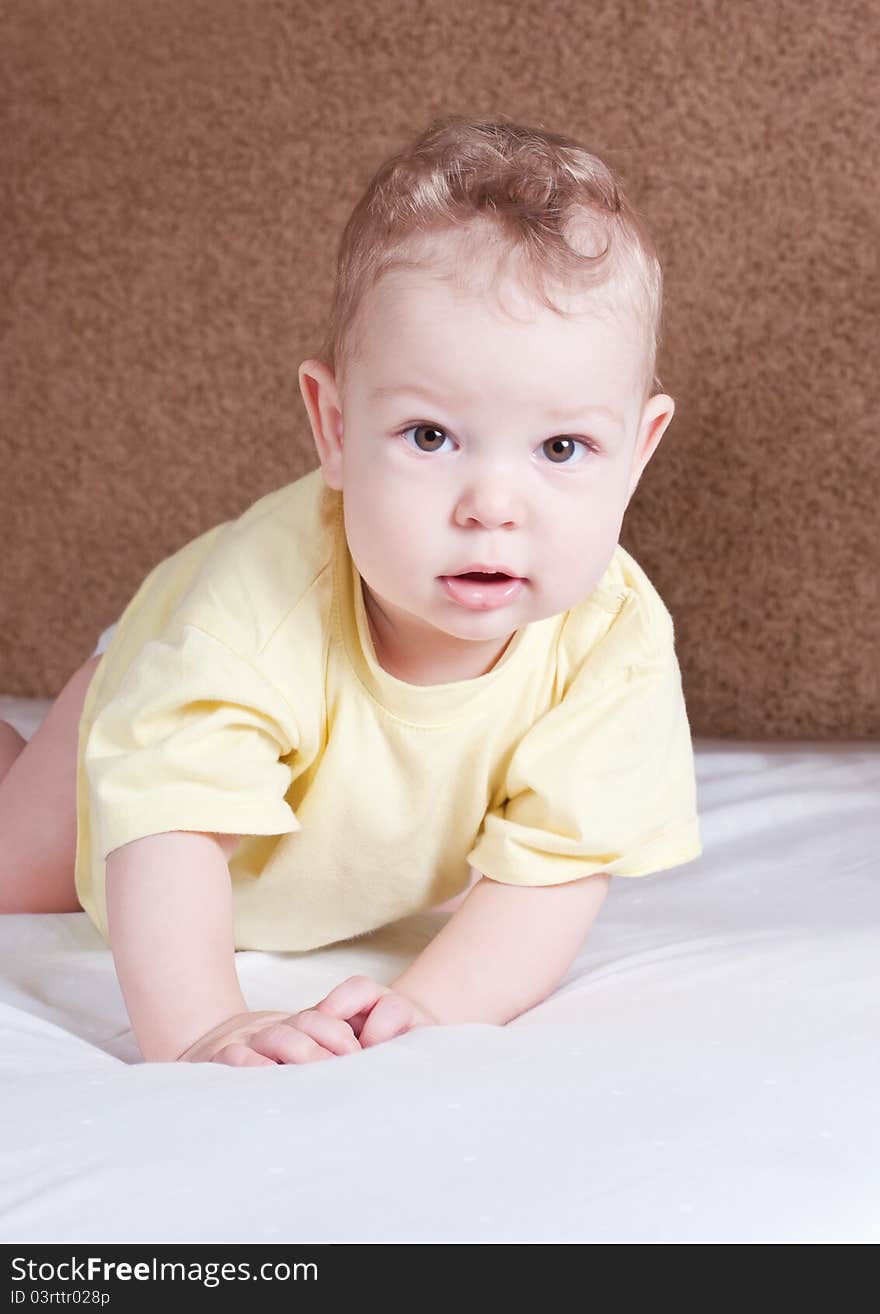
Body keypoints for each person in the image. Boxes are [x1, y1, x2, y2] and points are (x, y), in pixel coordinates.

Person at [0, 113, 703, 1065]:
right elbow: (168, 817)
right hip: (144, 732)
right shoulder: (256, 612)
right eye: (428, 437)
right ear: (334, 426)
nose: (492, 507)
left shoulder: (612, 645)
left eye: (562, 447)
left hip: (346, 829)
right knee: (14, 869)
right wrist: (204, 1026)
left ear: (639, 451)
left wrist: (422, 1012)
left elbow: (555, 870)